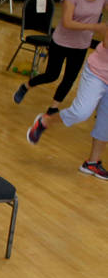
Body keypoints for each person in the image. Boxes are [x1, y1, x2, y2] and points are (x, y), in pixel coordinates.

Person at [14, 0, 108, 112]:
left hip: (82, 44)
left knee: (69, 79)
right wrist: (95, 26)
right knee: (52, 75)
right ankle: (26, 86)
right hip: (62, 42)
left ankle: (53, 108)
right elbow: (67, 22)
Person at [25, 35, 108, 180]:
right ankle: (45, 121)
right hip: (98, 73)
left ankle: (92, 163)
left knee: (106, 121)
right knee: (81, 112)